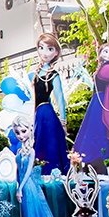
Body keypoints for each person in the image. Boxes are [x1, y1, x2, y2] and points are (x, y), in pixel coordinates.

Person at [13, 115, 75, 217]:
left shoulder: (31, 151)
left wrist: (20, 188)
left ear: (30, 130)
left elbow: (28, 172)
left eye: (23, 131)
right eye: (17, 132)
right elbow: (17, 172)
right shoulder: (19, 151)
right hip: (22, 187)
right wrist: (17, 186)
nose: (20, 135)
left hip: (29, 188)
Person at [73, 42, 109, 172]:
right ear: (100, 54)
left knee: (98, 129)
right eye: (105, 51)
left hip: (101, 101)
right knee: (98, 129)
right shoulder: (106, 67)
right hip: (100, 101)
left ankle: (98, 162)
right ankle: (97, 162)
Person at [28, 33, 69, 175]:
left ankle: (52, 173)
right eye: (41, 48)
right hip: (39, 113)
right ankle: (40, 172)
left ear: (56, 52)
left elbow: (60, 99)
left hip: (47, 114)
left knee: (49, 145)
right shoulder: (37, 73)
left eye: (50, 49)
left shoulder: (54, 75)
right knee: (39, 143)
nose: (45, 53)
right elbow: (35, 99)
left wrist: (63, 121)